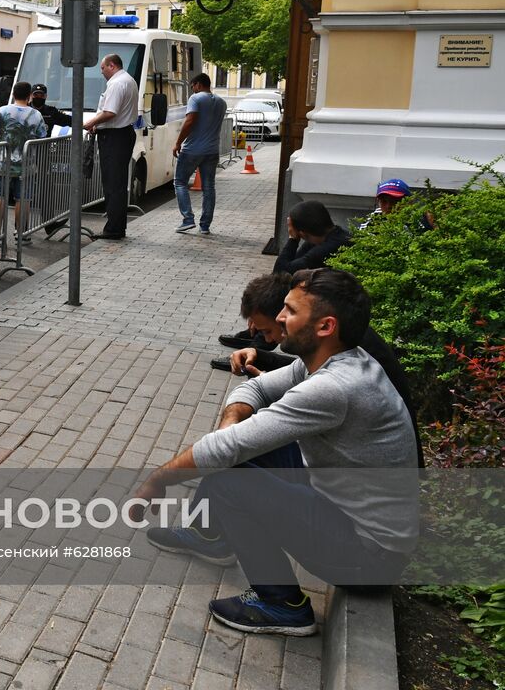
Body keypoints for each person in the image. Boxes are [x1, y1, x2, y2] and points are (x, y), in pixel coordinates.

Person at [134, 268, 419, 636]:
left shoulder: (334, 386)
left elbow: (227, 449)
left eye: (290, 311)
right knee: (239, 453)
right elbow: (254, 392)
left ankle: (281, 603)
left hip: (370, 558)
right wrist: (229, 429)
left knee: (228, 478)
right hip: (348, 515)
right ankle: (211, 536)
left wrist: (157, 479)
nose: (279, 319)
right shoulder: (329, 360)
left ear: (325, 326)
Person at [211, 273, 424, 468]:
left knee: (230, 467)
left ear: (324, 326)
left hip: (359, 492)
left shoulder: (341, 379)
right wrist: (262, 357)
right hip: (351, 468)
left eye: (290, 311)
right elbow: (281, 378)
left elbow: (321, 389)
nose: (272, 332)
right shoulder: (341, 344)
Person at [83, 53, 139, 240]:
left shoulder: (116, 83)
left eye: (103, 67)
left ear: (112, 65)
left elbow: (110, 112)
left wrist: (90, 123)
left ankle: (114, 229)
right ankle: (116, 227)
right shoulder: (128, 80)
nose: (101, 71)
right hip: (121, 134)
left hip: (115, 137)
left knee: (113, 184)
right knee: (118, 184)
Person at [0, 81, 47, 238]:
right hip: (26, 166)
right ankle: (21, 233)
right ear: (29, 96)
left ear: (13, 94)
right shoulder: (36, 114)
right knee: (24, 199)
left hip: (2, 164)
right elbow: (42, 136)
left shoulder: (3, 111)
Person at [172, 73, 227, 234]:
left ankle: (188, 219)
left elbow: (190, 121)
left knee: (180, 182)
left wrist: (177, 143)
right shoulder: (221, 103)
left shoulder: (195, 99)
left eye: (192, 87)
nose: (192, 90)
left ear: (197, 84)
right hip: (212, 150)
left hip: (192, 150)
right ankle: (205, 226)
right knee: (209, 187)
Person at [273, 200, 351, 274]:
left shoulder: (325, 249)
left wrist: (293, 239)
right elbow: (293, 262)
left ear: (302, 234)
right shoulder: (332, 235)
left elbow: (280, 274)